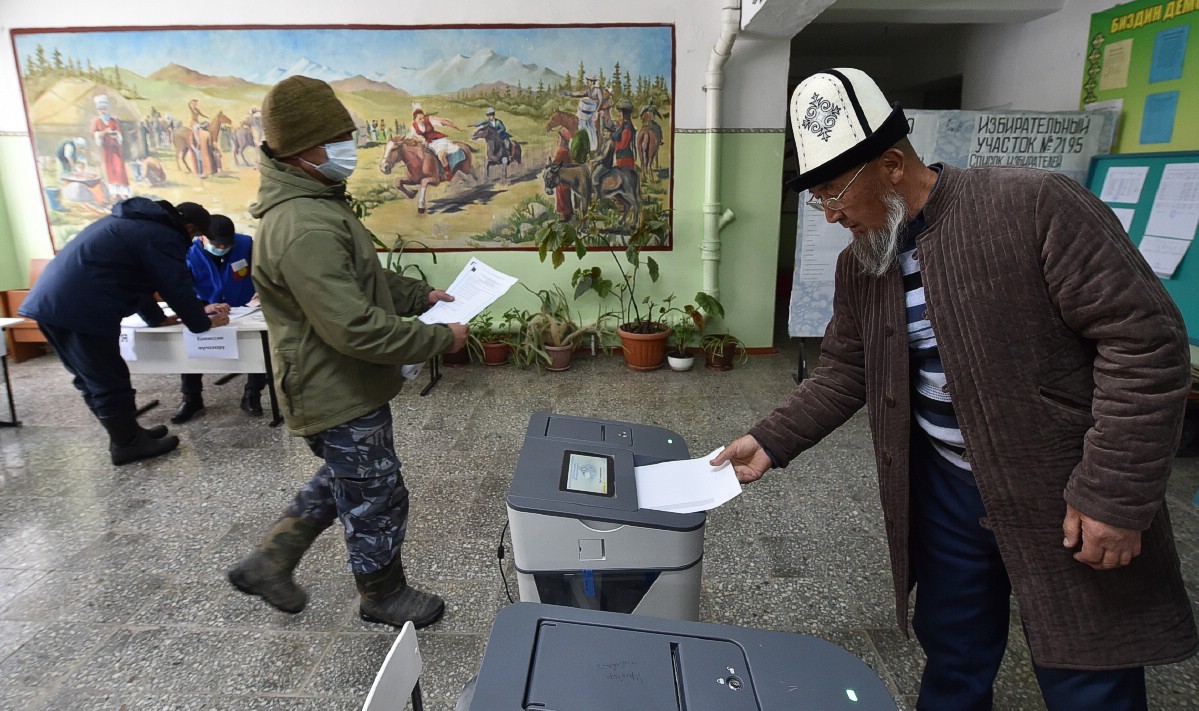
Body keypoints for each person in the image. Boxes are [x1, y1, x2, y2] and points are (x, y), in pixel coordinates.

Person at [712, 68, 1197, 710]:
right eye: (816, 197)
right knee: (954, 655)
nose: (828, 214)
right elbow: (845, 369)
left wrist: (1112, 493)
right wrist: (769, 440)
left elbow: (1146, 341)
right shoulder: (863, 262)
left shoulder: (1035, 206)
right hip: (944, 489)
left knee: (1089, 670)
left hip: (1061, 486)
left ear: (890, 165)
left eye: (833, 192)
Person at [229, 75, 469, 630]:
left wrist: (418, 295)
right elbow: (354, 326)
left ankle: (271, 559)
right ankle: (382, 595)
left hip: (339, 381)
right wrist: (438, 339)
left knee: (347, 477)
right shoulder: (302, 224)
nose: (350, 148)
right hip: (334, 384)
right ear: (302, 148)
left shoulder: (313, 203)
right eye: (338, 137)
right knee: (377, 494)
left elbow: (356, 278)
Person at [18, 199, 229, 465]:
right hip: (81, 309)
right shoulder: (162, 235)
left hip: (50, 305)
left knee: (89, 378)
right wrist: (202, 323)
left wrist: (156, 319)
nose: (197, 240)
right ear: (187, 227)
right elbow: (175, 284)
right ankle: (127, 444)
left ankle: (128, 434)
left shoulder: (133, 225)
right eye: (198, 234)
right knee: (108, 380)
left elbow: (139, 281)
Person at [171, 214, 265, 423]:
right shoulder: (188, 251)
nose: (222, 247)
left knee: (256, 348)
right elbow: (181, 287)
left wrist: (261, 291)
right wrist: (203, 306)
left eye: (226, 244)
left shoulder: (245, 244)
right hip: (205, 308)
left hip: (244, 308)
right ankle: (191, 398)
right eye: (217, 244)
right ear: (203, 237)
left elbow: (262, 271)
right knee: (191, 351)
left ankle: (252, 394)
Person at [90, 95, 130, 200]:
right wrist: (103, 133)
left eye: (104, 108)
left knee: (120, 169)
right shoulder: (97, 121)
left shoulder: (113, 120)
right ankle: (114, 192)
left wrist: (116, 135)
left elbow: (119, 133)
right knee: (110, 169)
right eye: (101, 109)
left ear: (107, 108)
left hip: (116, 148)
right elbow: (94, 133)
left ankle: (124, 192)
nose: (103, 111)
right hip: (106, 149)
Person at [408, 104, 462, 176]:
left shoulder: (429, 119)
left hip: (438, 141)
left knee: (441, 155)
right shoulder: (413, 126)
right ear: (415, 119)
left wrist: (453, 126)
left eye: (423, 118)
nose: (422, 120)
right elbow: (413, 136)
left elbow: (442, 121)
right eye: (419, 119)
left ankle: (448, 173)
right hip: (428, 143)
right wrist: (421, 139)